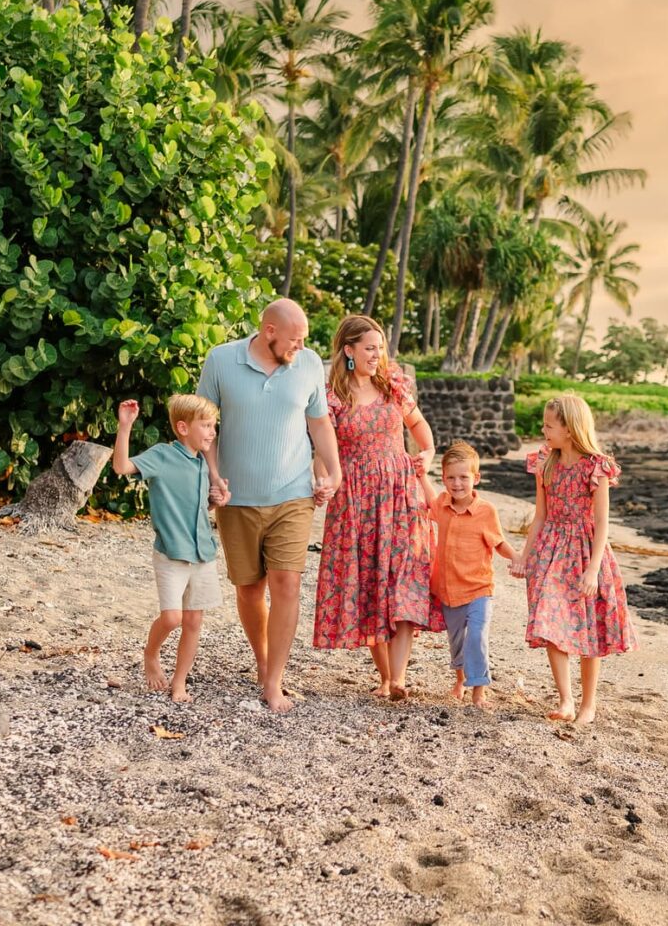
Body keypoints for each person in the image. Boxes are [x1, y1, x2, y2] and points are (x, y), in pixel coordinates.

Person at [199, 298, 343, 713]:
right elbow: (205, 426)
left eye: (304, 341)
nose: (300, 348)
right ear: (268, 332)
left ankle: (274, 681)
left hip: (293, 495)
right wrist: (212, 475)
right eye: (294, 340)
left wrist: (332, 472)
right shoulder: (222, 361)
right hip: (236, 496)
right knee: (249, 589)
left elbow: (319, 422)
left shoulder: (310, 364)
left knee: (287, 584)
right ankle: (262, 662)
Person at [312, 314, 440, 701]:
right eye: (370, 348)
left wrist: (428, 457)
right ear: (348, 350)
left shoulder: (393, 384)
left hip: (401, 495)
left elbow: (421, 432)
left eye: (380, 347)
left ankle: (397, 677)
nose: (377, 355)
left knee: (404, 579)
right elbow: (323, 448)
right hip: (356, 500)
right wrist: (324, 482)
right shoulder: (331, 395)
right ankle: (386, 677)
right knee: (368, 587)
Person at [515, 392, 635, 726]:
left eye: (549, 425)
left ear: (570, 428)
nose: (543, 430)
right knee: (550, 621)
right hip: (551, 550)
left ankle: (588, 704)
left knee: (588, 629)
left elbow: (602, 524)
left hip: (586, 553)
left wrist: (593, 569)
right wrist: (525, 556)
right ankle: (566, 700)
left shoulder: (596, 467)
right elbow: (539, 516)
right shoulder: (545, 463)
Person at [112, 393, 223, 701]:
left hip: (203, 555)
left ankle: (179, 682)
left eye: (214, 425)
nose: (212, 432)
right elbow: (121, 467)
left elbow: (199, 508)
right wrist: (125, 426)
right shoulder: (162, 456)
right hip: (171, 554)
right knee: (173, 618)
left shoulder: (202, 464)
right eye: (206, 425)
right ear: (184, 428)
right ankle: (151, 654)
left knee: (193, 622)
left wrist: (215, 502)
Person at [419, 439, 522, 710]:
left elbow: (498, 542)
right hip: (449, 590)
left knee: (476, 636)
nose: (457, 483)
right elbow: (429, 502)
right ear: (443, 479)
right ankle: (459, 680)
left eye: (463, 477)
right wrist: (420, 475)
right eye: (450, 478)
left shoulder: (486, 511)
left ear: (476, 478)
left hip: (480, 589)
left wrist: (517, 559)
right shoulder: (442, 505)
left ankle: (479, 691)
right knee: (457, 643)